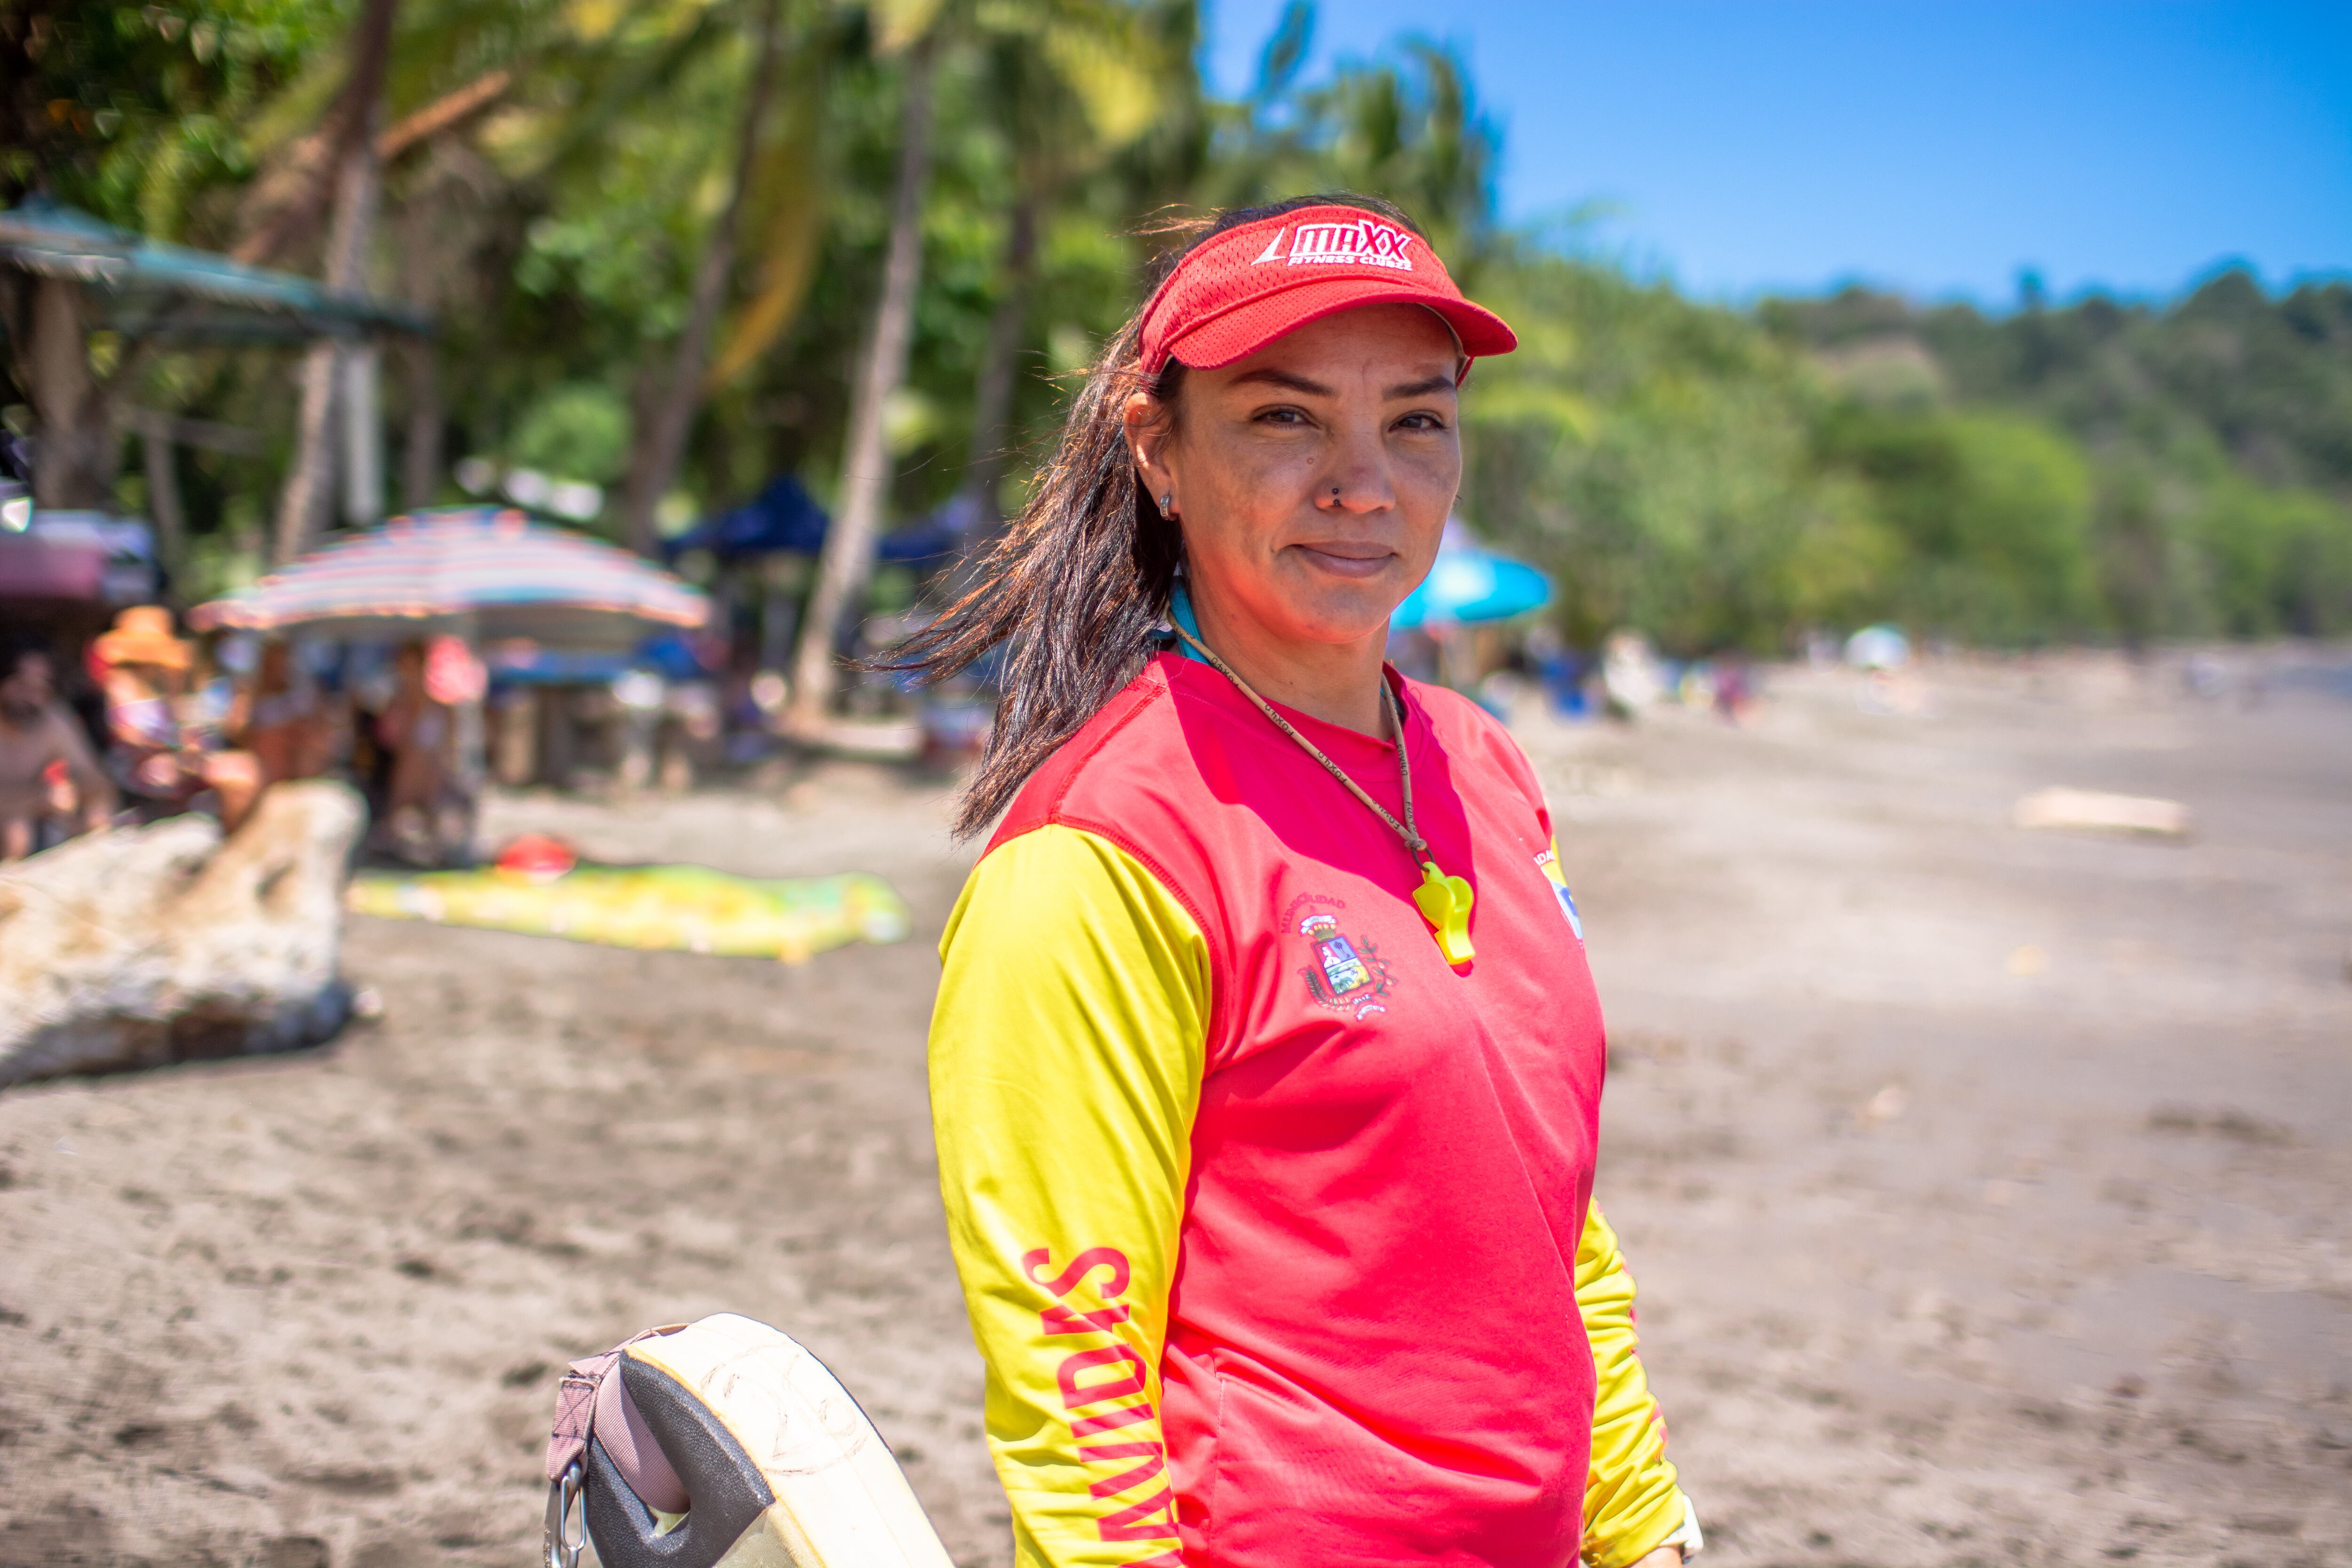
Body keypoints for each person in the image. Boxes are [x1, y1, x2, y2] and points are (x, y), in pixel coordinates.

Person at [900, 197, 1700, 1566]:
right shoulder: (1102, 847)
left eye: (1415, 419)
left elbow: (1548, 1212)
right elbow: (1071, 1359)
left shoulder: (1481, 767)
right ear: (1158, 451)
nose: (1363, 483)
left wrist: (1641, 1526)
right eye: (1285, 417)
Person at [94, 605, 263, 832]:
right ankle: (230, 839)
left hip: (170, 760)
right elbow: (129, 735)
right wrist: (176, 746)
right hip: (143, 769)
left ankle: (230, 838)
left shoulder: (151, 685)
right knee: (238, 778)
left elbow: (173, 721)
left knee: (244, 768)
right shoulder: (121, 685)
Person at [0, 641, 115, 861]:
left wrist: (84, 797)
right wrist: (35, 801)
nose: (30, 696)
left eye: (40, 688)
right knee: (17, 829)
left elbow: (94, 779)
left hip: (31, 824)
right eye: (22, 685)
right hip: (13, 826)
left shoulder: (51, 718)